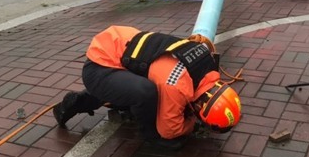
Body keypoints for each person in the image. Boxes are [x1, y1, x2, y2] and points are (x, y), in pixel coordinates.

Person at [52, 26, 242, 149]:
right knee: (145, 94)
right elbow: (170, 130)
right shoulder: (177, 85)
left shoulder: (207, 61)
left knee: (143, 93)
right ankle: (149, 135)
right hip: (99, 66)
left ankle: (82, 101)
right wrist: (191, 123)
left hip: (119, 48)